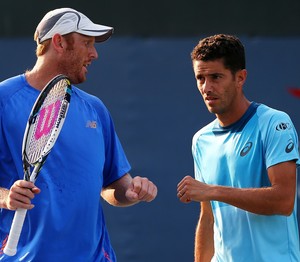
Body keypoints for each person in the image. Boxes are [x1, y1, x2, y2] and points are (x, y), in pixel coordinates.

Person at [0, 7, 157, 261]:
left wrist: (130, 191)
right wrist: (6, 196)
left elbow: (113, 185)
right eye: (87, 43)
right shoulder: (4, 100)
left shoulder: (95, 109)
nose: (94, 54)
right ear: (59, 42)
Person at [177, 34, 300, 261]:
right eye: (200, 78)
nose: (207, 87)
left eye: (216, 77)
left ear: (240, 78)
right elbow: (208, 218)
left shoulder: (274, 123)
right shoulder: (201, 140)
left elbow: (284, 200)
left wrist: (213, 190)